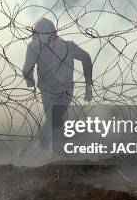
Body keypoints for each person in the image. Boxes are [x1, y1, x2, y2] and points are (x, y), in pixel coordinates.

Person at [22, 18, 93, 150]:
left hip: (48, 91)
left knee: (53, 120)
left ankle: (42, 151)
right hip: (66, 91)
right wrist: (88, 86)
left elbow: (26, 70)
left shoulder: (35, 45)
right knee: (54, 120)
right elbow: (86, 58)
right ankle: (46, 150)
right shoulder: (68, 46)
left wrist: (30, 82)